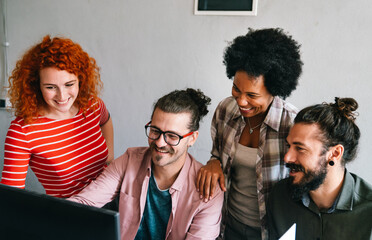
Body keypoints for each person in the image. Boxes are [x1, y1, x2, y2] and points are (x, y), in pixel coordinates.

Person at [68, 88, 224, 240]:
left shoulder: (210, 190)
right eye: (155, 131)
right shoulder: (129, 161)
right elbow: (85, 202)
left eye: (171, 135)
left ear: (192, 138)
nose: (160, 142)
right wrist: (54, 214)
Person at [195, 28, 303, 239]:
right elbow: (217, 155)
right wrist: (213, 162)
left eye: (252, 95)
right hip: (228, 225)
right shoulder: (225, 110)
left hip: (271, 231)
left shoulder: (292, 125)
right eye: (236, 89)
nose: (241, 101)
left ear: (274, 89)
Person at [1, 35, 114, 198]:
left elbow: (106, 120)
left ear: (80, 80)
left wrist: (109, 159)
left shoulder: (92, 105)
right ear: (35, 85)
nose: (62, 96)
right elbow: (11, 197)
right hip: (73, 215)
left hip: (115, 200)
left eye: (69, 84)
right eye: (50, 87)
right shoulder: (22, 131)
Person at [267, 97, 372, 240]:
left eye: (300, 148)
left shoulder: (368, 211)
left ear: (334, 153)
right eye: (289, 146)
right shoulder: (279, 197)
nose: (287, 157)